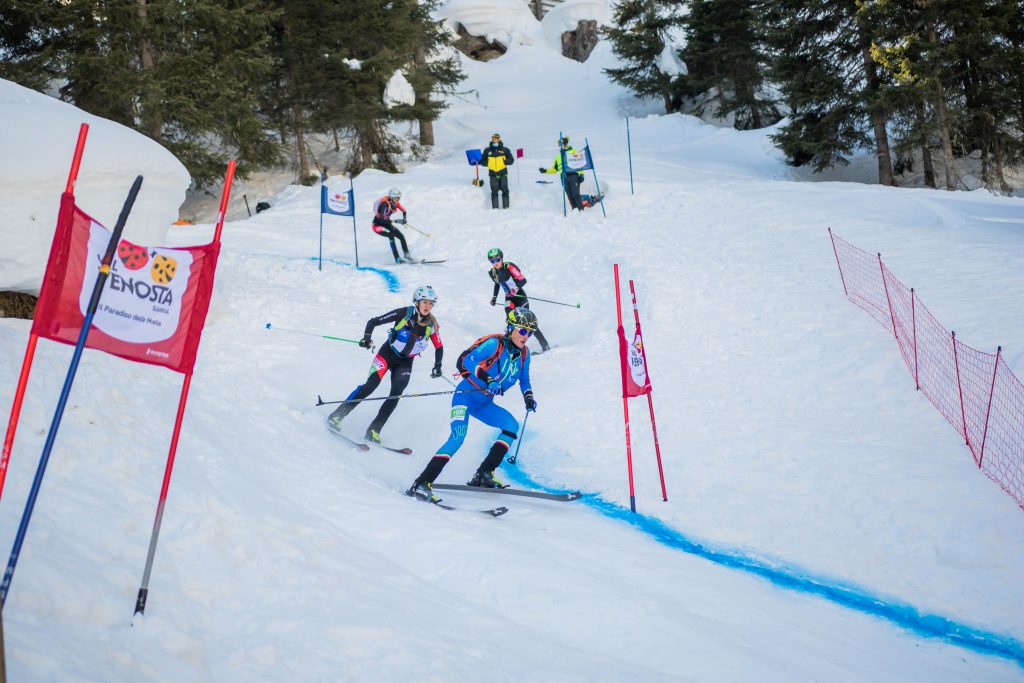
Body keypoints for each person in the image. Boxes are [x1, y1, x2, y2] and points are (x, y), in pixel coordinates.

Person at [407, 308, 539, 503]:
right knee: (458, 437)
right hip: (465, 398)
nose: (526, 336)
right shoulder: (494, 344)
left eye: (530, 332)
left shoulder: (524, 354)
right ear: (511, 327)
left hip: (484, 404)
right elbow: (467, 361)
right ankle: (421, 483)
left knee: (511, 426)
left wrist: (528, 397)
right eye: (522, 330)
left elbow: (524, 379)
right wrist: (488, 380)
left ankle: (484, 474)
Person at [327, 286, 443, 443]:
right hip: (387, 355)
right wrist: (367, 338)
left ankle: (374, 430)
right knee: (370, 386)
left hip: (405, 362)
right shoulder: (404, 313)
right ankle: (337, 416)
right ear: (416, 302)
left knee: (396, 394)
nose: (428, 306)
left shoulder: (432, 325)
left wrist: (437, 365)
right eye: (425, 302)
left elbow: (439, 346)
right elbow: (373, 321)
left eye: (431, 303)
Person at [486, 247, 551, 352]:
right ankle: (511, 346)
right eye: (492, 261)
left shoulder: (509, 266)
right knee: (511, 320)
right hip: (509, 298)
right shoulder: (493, 273)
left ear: (501, 259)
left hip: (520, 297)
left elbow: (523, 280)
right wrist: (494, 297)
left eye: (497, 259)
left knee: (527, 322)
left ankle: (545, 345)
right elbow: (497, 284)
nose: (495, 262)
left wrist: (515, 289)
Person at [539, 136, 585, 211]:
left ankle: (581, 211)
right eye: (559, 144)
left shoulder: (573, 151)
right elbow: (555, 169)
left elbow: (580, 163)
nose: (560, 146)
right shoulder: (558, 156)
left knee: (576, 195)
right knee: (570, 196)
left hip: (573, 175)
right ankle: (575, 211)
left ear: (565, 143)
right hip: (564, 178)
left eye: (561, 143)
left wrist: (582, 174)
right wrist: (545, 171)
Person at [372, 188, 412, 264]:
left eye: (398, 198)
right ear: (391, 197)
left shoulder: (395, 203)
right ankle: (397, 259)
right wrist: (396, 221)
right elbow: (381, 220)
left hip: (386, 224)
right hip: (377, 226)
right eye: (396, 198)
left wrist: (404, 219)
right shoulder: (385, 205)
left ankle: (407, 255)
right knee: (391, 235)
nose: (397, 200)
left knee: (401, 236)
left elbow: (404, 210)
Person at [480, 132, 514, 209]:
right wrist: (488, 163)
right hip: (492, 174)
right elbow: (482, 161)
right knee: (494, 191)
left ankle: (506, 208)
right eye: (493, 138)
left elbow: (511, 160)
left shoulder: (505, 150)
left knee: (505, 191)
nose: (494, 139)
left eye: (495, 138)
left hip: (503, 173)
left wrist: (504, 161)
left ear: (499, 139)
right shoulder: (487, 150)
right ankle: (495, 209)